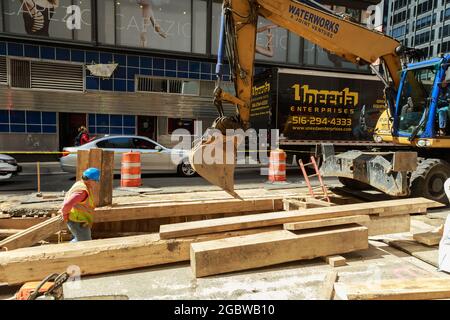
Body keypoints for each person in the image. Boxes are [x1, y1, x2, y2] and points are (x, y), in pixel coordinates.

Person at [58, 168, 100, 242]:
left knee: (79, 240)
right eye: (95, 181)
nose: (96, 183)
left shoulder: (80, 184)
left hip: (78, 219)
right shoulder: (82, 192)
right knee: (85, 243)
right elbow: (67, 204)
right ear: (90, 180)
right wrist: (64, 214)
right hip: (77, 221)